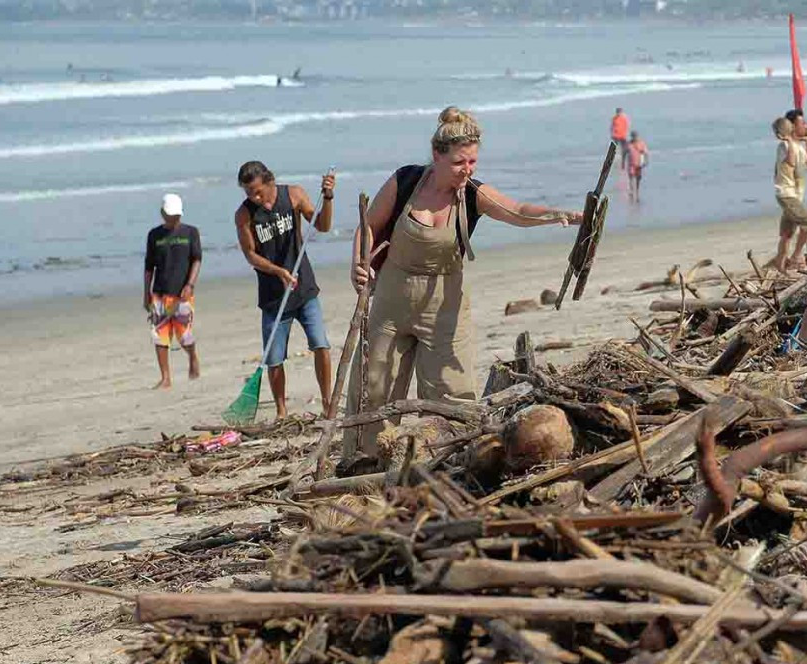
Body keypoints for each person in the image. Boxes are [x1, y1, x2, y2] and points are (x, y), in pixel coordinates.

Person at [344, 107, 582, 457]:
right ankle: (364, 462)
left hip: (444, 303)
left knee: (450, 392)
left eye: (472, 162)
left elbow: (517, 211)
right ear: (437, 155)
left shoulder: (472, 194)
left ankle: (449, 457)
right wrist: (358, 262)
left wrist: (557, 215)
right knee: (374, 387)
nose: (467, 170)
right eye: (459, 163)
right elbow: (368, 226)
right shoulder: (406, 180)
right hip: (392, 299)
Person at [234, 160, 336, 419]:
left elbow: (322, 226)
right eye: (248, 193)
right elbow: (250, 255)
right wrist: (278, 271)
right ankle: (281, 411)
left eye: (257, 191)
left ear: (269, 181)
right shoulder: (244, 215)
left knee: (320, 345)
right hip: (273, 295)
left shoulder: (293, 195)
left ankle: (327, 403)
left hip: (304, 288)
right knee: (275, 358)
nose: (254, 197)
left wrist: (328, 197)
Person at [144, 193, 201, 389]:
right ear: (162, 213)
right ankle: (165, 378)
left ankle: (192, 356)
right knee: (159, 337)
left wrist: (190, 285)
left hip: (182, 293)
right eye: (169, 215)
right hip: (159, 293)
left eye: (176, 216)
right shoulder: (154, 235)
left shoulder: (190, 233)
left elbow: (196, 260)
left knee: (184, 335)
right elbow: (149, 267)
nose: (173, 219)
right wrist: (146, 293)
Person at [771, 116, 807, 273]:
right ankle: (796, 257)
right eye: (802, 123)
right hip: (786, 193)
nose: (806, 125)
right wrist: (789, 140)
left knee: (787, 234)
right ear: (792, 128)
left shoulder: (798, 147)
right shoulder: (784, 146)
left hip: (795, 195)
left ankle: (780, 265)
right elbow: (790, 162)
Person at [627, 131, 649, 203]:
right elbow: (624, 153)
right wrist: (622, 163)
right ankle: (631, 190)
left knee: (638, 178)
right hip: (631, 164)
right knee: (631, 177)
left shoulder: (641, 144)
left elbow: (645, 153)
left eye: (635, 136)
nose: (634, 138)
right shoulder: (629, 144)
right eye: (633, 136)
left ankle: (637, 190)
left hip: (639, 164)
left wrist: (646, 161)